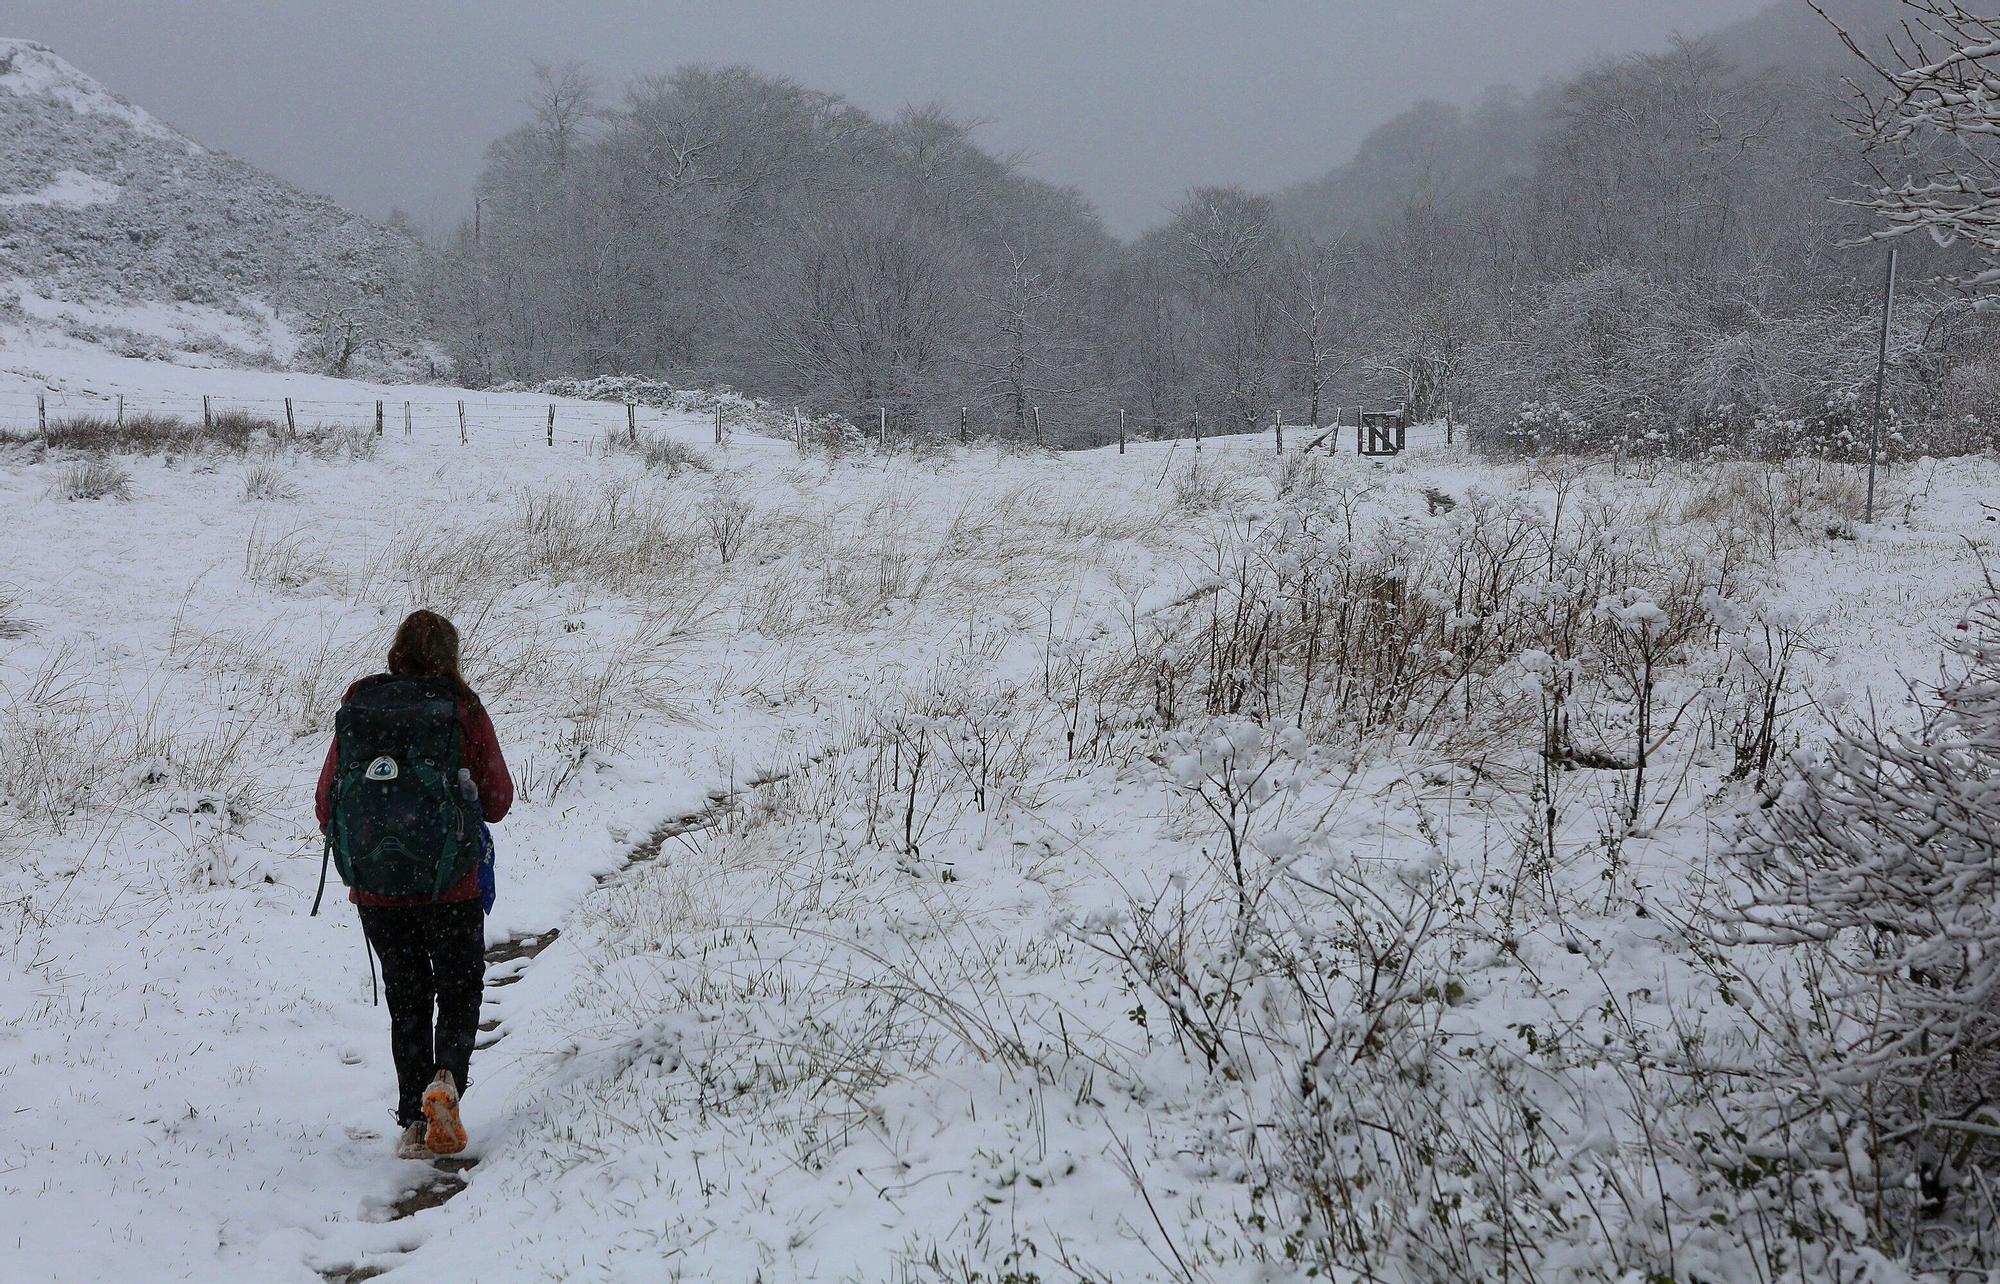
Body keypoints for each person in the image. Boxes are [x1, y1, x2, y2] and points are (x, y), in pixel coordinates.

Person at [315, 610, 512, 1159]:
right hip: (450, 883)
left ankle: (412, 1124)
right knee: (459, 987)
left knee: (406, 995)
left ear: (396, 651)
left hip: (378, 887)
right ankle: (445, 1082)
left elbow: (327, 801)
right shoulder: (462, 707)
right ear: (451, 656)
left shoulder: (362, 703)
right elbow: (498, 799)